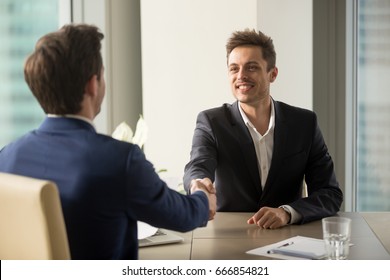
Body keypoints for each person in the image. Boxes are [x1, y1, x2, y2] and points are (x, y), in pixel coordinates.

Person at [0, 23, 216, 260]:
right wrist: (202, 198)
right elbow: (181, 216)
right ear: (93, 84)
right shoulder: (118, 160)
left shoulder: (7, 158)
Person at [183, 29, 343, 229]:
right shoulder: (211, 121)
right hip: (230, 237)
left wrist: (287, 213)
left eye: (251, 68)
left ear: (272, 74)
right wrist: (198, 184)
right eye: (234, 68)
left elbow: (329, 193)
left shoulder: (304, 123)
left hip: (289, 240)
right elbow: (198, 164)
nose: (241, 76)